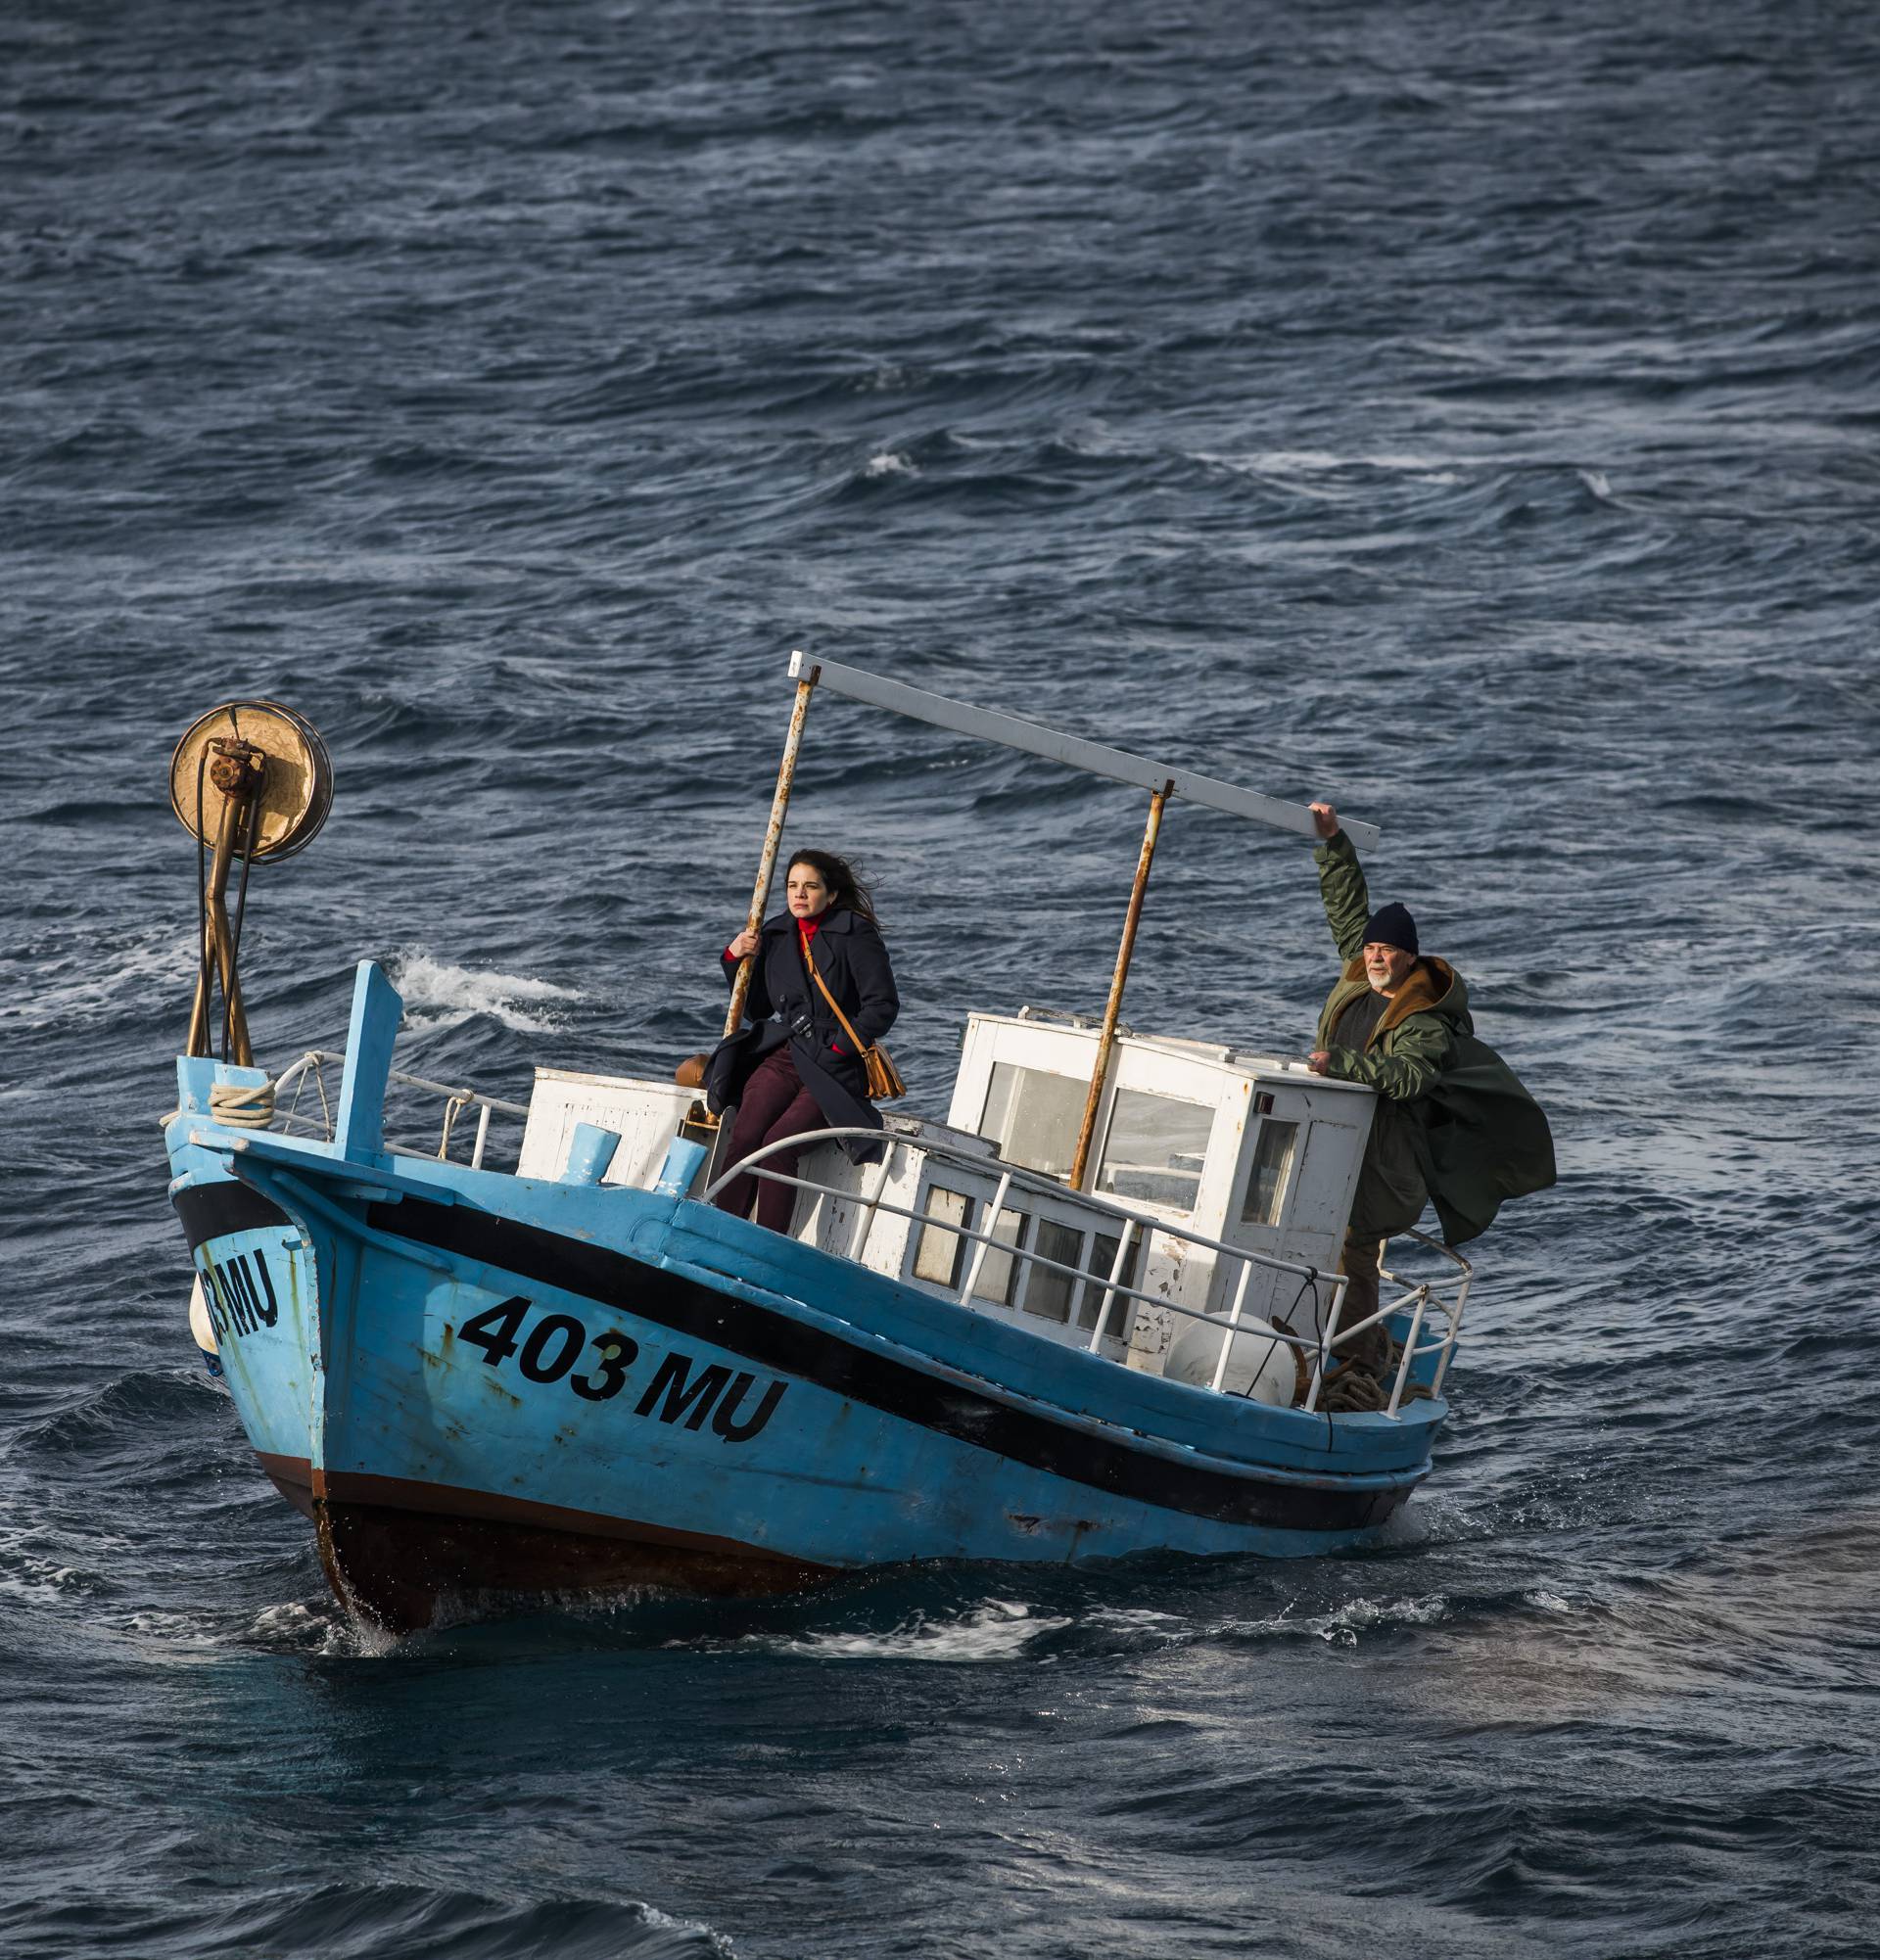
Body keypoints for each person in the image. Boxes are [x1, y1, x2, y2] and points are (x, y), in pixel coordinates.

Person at [1304, 802, 1554, 1388]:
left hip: (1386, 1164)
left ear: (1408, 958)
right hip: (1338, 1142)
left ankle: (1357, 1365)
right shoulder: (1356, 971)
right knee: (1308, 1234)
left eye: (1386, 951)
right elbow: (1347, 911)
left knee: (1351, 1252)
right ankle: (1312, 1339)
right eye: (1370, 950)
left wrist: (1340, 1062)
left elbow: (1410, 1077)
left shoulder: (1426, 1019)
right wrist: (1334, 843)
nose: (1374, 958)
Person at [705, 849, 899, 1235]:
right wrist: (735, 957)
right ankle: (719, 1231)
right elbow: (758, 1007)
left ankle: (768, 1243)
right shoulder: (777, 935)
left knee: (778, 1144)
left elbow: (883, 1005)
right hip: (787, 1053)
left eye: (810, 886)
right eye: (793, 886)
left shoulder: (854, 933)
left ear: (831, 893)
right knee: (744, 1136)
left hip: (833, 1064)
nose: (800, 894)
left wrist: (841, 1048)